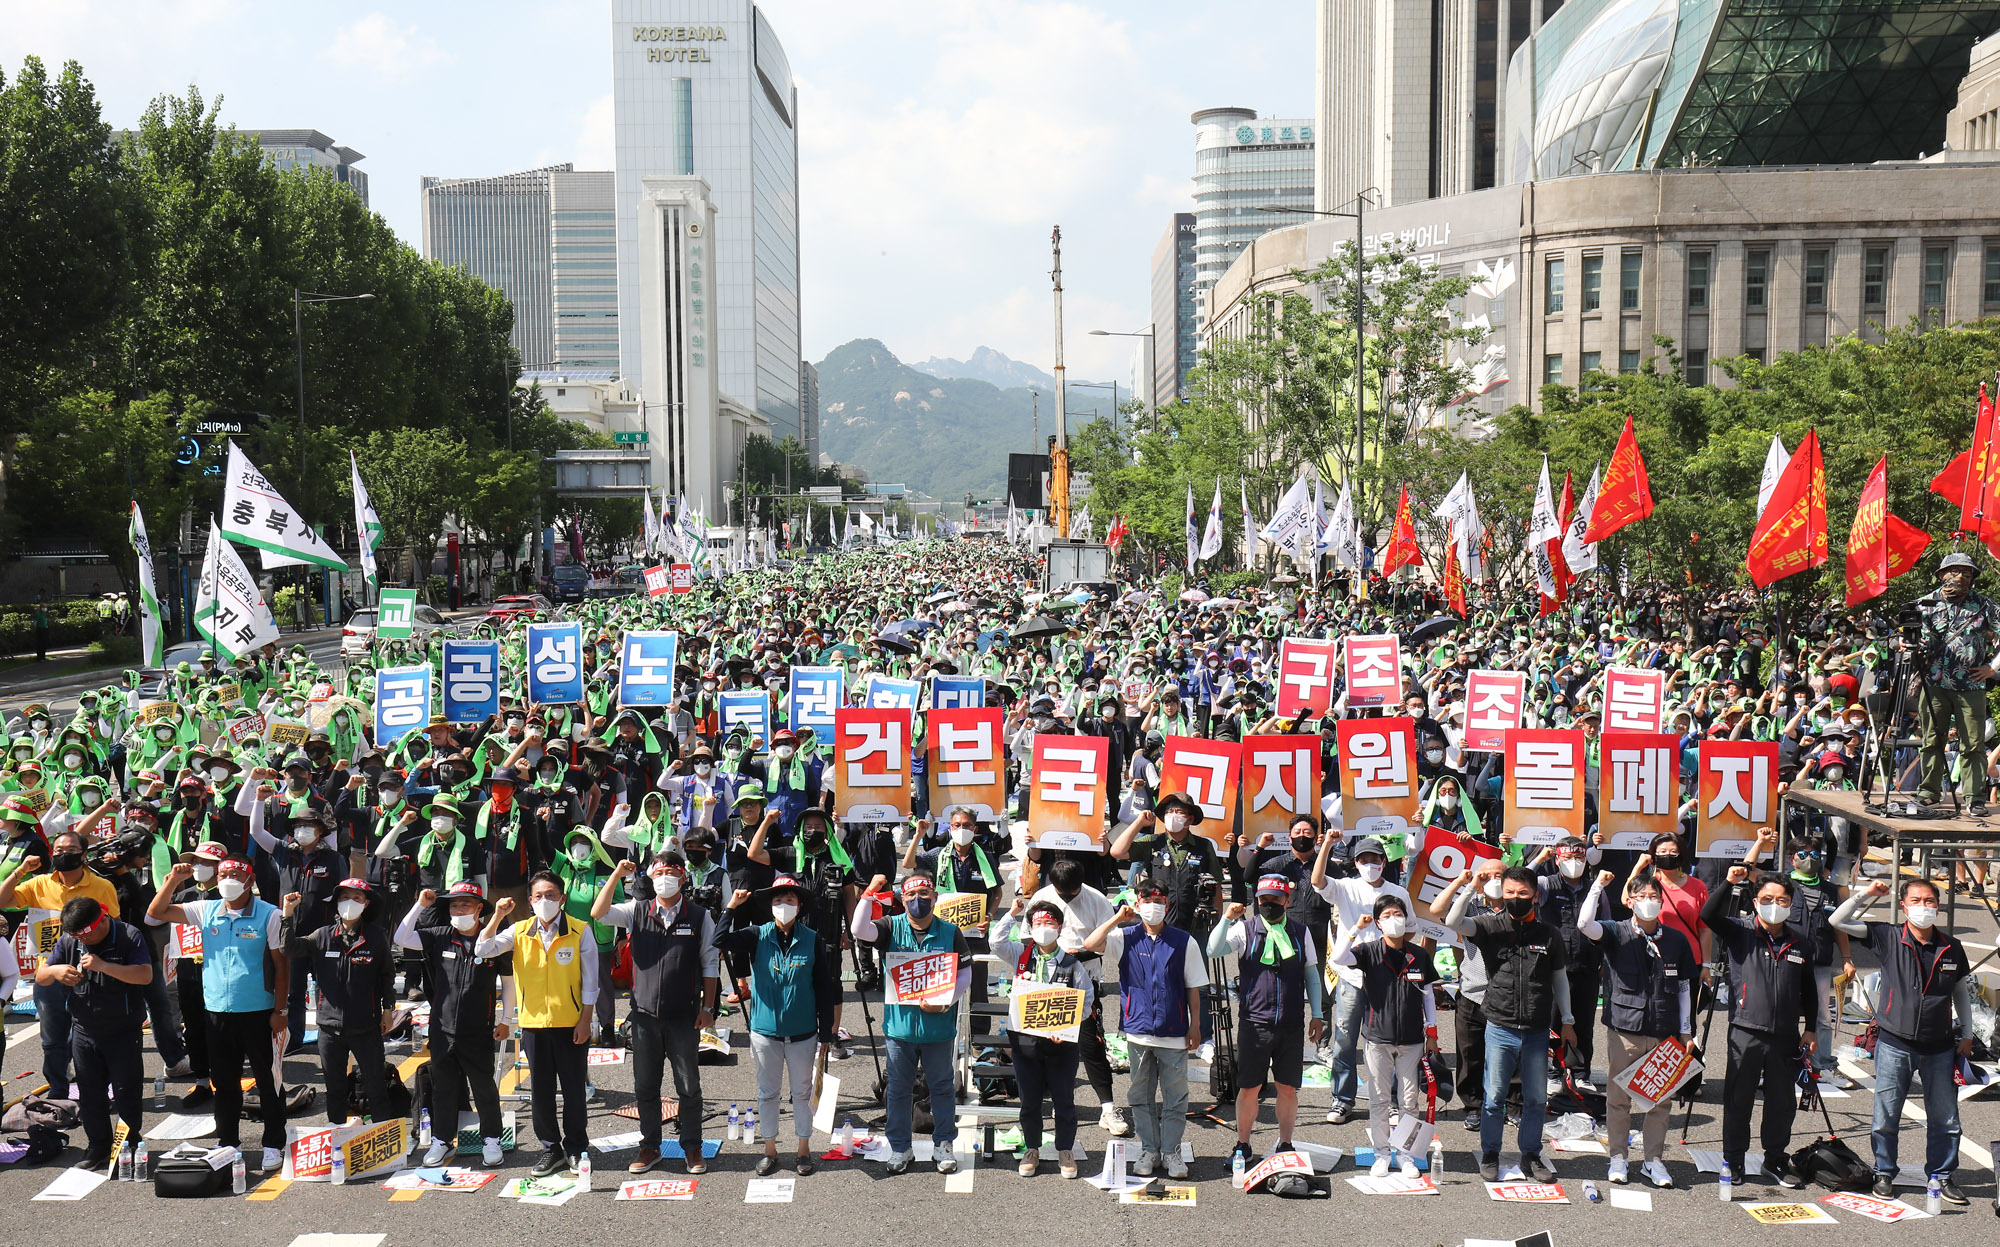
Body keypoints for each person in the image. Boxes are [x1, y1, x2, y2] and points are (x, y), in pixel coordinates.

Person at [1828, 877, 1975, 1204]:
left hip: (1940, 1046)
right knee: (1886, 1115)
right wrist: (1866, 893)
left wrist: (1966, 1034)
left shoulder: (1952, 947)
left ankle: (1942, 1175)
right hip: (1895, 1042)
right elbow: (1837, 921)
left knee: (1946, 1118)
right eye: (1917, 901)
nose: (1924, 907)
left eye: (1930, 901)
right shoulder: (1887, 935)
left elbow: (1961, 991)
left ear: (1938, 905)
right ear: (1904, 906)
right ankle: (1884, 1172)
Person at [145, 854, 289, 1171]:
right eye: (223, 874)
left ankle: (273, 1143)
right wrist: (172, 880)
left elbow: (282, 965)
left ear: (250, 880)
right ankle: (228, 1142)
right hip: (217, 1011)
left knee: (269, 1081)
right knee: (224, 1083)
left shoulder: (270, 915)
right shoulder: (207, 910)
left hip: (258, 1011)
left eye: (236, 873)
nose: (228, 879)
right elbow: (155, 914)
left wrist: (281, 1009)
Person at [1446, 862, 1577, 1183]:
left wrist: (1569, 1019)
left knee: (1535, 1098)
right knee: (1493, 1096)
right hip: (1500, 1026)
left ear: (1535, 897)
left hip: (1535, 1030)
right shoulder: (1491, 926)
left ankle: (1531, 1154)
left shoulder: (1549, 934)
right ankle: (1490, 1152)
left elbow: (1559, 978)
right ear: (1501, 895)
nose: (1515, 898)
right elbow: (1452, 921)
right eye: (1509, 893)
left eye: (1522, 893)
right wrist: (1472, 885)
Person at [591, 852, 717, 1175]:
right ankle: (650, 1146)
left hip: (683, 1016)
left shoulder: (700, 916)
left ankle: (692, 1147)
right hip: (644, 1016)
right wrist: (618, 875)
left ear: (683, 878)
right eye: (659, 872)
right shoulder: (637, 911)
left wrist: (707, 1008)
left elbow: (710, 965)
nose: (665, 877)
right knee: (645, 1086)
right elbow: (598, 913)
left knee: (688, 1086)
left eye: (671, 871)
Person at [1700, 859, 1823, 1188]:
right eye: (1766, 899)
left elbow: (1809, 989)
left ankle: (1775, 1160)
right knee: (1739, 1099)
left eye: (1781, 900)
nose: (1774, 906)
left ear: (1791, 903)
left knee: (1782, 1103)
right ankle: (1734, 1159)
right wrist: (1728, 883)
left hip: (1785, 1035)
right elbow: (1707, 915)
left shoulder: (1800, 942)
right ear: (1755, 902)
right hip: (1745, 1031)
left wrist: (1811, 1027)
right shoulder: (1740, 931)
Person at [1081, 876, 1207, 1180]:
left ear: (1167, 904)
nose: (1153, 906)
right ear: (1137, 903)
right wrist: (1117, 918)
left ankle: (1171, 1152)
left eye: (1159, 901)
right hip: (1137, 1030)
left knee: (1176, 1098)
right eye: (1147, 901)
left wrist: (1196, 1027)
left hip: (1175, 1032)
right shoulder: (1126, 937)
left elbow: (1193, 987)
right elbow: (1090, 944)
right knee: (1141, 1096)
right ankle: (1150, 1150)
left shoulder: (1183, 940)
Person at [1577, 867, 1695, 1188]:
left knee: (1660, 1099)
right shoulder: (1616, 932)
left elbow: (1684, 986)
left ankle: (1653, 1160)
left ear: (1662, 901)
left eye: (1653, 897)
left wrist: (1686, 1031)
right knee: (1619, 1097)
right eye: (1641, 897)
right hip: (1624, 1028)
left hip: (1664, 1028)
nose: (1648, 902)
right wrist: (1598, 886)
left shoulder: (1675, 940)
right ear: (1629, 901)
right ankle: (1618, 1157)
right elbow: (1584, 925)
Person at [714, 874, 840, 1175]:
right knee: (767, 1093)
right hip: (764, 1032)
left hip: (803, 1033)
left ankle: (803, 1149)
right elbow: (719, 941)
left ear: (799, 906)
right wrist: (731, 906)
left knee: (802, 1092)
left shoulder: (812, 939)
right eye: (778, 900)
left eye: (790, 900)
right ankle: (770, 1149)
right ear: (770, 906)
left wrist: (826, 1035)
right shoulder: (757, 934)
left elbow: (824, 988)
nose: (784, 904)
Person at [476, 870, 597, 1177]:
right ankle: (550, 1149)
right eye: (539, 896)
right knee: (541, 1091)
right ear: (530, 901)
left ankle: (576, 1148)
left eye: (551, 895)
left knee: (573, 1090)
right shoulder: (519, 930)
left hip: (571, 1024)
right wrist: (496, 916)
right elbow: (482, 949)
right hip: (533, 1024)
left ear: (563, 899)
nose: (545, 901)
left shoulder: (580, 930)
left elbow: (591, 982)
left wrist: (585, 1020)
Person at [849, 872, 971, 1174]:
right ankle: (900, 1147)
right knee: (899, 1090)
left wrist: (948, 1000)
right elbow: (858, 929)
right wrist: (869, 893)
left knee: (942, 1088)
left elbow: (965, 974)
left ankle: (944, 1145)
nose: (919, 901)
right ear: (902, 899)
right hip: (900, 1030)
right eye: (911, 895)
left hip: (939, 1028)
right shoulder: (891, 927)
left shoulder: (950, 932)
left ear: (935, 897)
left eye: (925, 894)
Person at [1210, 875, 1323, 1168]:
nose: (1268, 904)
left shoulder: (1301, 931)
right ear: (1256, 901)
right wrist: (1225, 919)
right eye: (1263, 900)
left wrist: (1318, 1014)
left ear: (1287, 900)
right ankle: (1243, 1144)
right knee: (1249, 1088)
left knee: (1287, 1088)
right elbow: (1213, 950)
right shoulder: (1245, 929)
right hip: (1254, 1022)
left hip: (1291, 1023)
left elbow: (1311, 973)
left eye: (1275, 899)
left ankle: (1285, 1142)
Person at [394, 882, 509, 1167]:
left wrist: (506, 1020)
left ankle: (492, 1138)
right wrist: (421, 904)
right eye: (454, 905)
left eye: (465, 905)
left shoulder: (493, 939)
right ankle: (442, 1141)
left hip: (478, 1030)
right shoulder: (440, 935)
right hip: (442, 1028)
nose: (458, 910)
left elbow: (508, 983)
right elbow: (401, 937)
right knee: (443, 1087)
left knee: (483, 1086)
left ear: (479, 908)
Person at [0, 829, 120, 1097]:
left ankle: (97, 1089)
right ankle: (58, 1090)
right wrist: (20, 871)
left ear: (84, 855)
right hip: (49, 975)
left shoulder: (102, 887)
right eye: (59, 851)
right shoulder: (39, 883)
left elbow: (114, 929)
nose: (64, 855)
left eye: (71, 851)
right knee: (53, 1040)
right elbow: (2, 900)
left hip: (90, 974)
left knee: (93, 1037)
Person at [1330, 893, 1438, 1178]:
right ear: (1378, 923)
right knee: (1378, 1099)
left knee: (1409, 1100)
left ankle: (1406, 1155)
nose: (1394, 920)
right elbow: (1338, 957)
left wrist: (1433, 1031)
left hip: (1412, 1039)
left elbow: (1427, 995)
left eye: (1398, 914)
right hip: (1377, 1038)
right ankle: (1381, 1153)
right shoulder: (1368, 951)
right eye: (1386, 916)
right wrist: (1355, 928)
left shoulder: (1420, 955)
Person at [1311, 832, 1413, 1125]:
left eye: (1375, 859)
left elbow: (1410, 929)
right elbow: (1318, 881)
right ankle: (1342, 1100)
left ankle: (1390, 1101)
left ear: (1384, 861)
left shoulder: (1398, 892)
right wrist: (1328, 845)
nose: (1370, 864)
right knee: (1345, 1041)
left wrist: (1392, 951)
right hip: (1351, 976)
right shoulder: (1345, 888)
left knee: (1387, 1042)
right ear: (1355, 863)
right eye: (1364, 860)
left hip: (1387, 978)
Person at [35, 897, 144, 1168]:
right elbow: (41, 975)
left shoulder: (129, 935)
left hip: (123, 1028)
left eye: (87, 933)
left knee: (125, 1090)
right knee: (89, 1092)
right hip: (84, 1028)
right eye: (77, 935)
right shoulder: (71, 941)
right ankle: (98, 1145)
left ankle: (129, 1145)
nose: (85, 939)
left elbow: (145, 975)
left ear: (102, 919)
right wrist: (57, 970)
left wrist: (104, 966)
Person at [991, 894, 1094, 1178]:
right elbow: (995, 942)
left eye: (1050, 922)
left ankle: (1065, 1149)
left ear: (1060, 928)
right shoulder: (1020, 955)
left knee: (1063, 1098)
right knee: (1030, 1099)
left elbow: (1086, 1002)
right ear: (1031, 928)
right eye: (1039, 923)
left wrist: (1068, 1026)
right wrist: (1011, 914)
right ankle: (1032, 1147)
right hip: (1024, 1040)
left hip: (1061, 1043)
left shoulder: (1073, 965)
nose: (1044, 927)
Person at [280, 878, 396, 1125]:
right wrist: (287, 914)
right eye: (344, 898)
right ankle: (337, 1136)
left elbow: (387, 975)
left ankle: (383, 1137)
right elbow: (288, 948)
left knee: (376, 1086)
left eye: (356, 898)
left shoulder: (376, 937)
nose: (350, 903)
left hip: (367, 1027)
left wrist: (388, 1010)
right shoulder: (321, 936)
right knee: (334, 1089)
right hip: (329, 1028)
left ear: (366, 904)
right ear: (335, 904)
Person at [1908, 551, 2000, 814]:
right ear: (1940, 575)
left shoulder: (1985, 606)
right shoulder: (1922, 604)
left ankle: (1974, 797)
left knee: (1973, 744)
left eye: (1966, 573)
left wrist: (1992, 668)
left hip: (1971, 685)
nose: (1959, 577)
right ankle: (1928, 792)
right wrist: (1904, 643)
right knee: (1931, 740)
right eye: (1953, 572)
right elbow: (1902, 639)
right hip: (1933, 683)